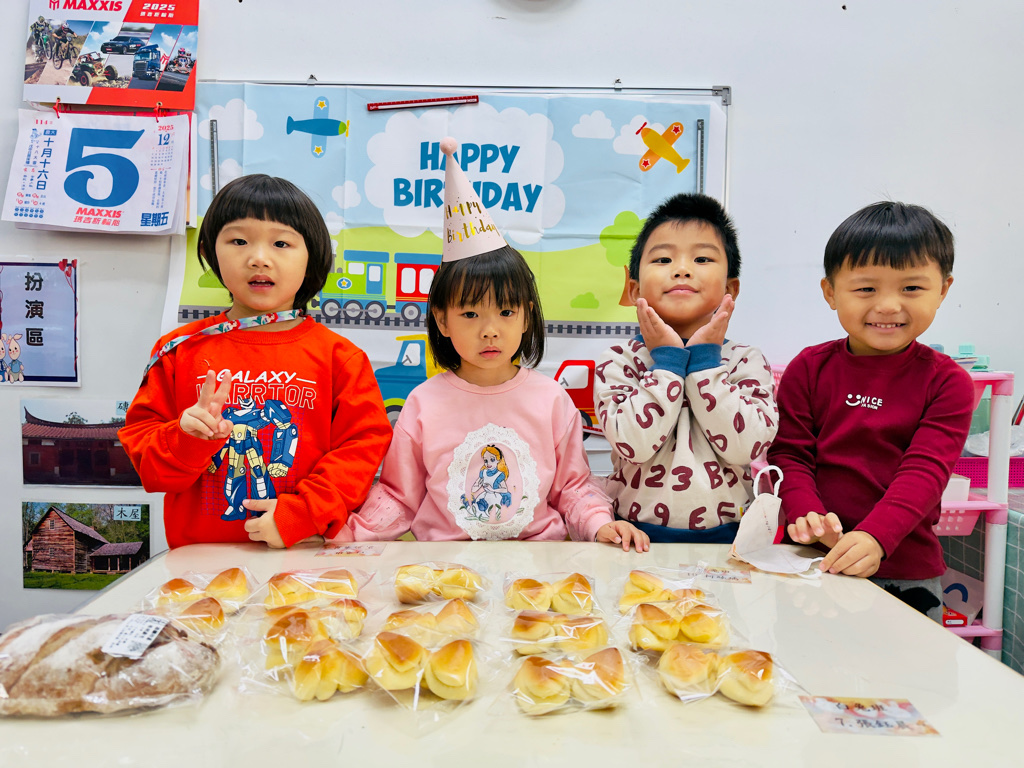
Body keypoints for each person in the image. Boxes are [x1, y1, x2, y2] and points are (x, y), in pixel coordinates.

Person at [342, 138, 648, 551]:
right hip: (445, 567)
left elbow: (573, 489)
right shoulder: (422, 404)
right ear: (442, 320)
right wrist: (346, 535)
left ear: (526, 316)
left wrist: (599, 524)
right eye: (470, 314)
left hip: (536, 565)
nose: (490, 330)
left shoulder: (551, 400)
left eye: (505, 312)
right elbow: (399, 496)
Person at [119, 174, 391, 549]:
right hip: (200, 562)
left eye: (281, 243)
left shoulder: (340, 358)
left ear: (311, 256)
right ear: (211, 252)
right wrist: (185, 439)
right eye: (238, 241)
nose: (258, 258)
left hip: (304, 555)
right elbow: (147, 463)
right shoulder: (179, 350)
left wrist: (303, 512)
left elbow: (362, 449)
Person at [767, 201, 974, 620]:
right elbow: (790, 454)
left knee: (910, 665)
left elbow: (925, 472)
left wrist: (876, 537)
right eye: (866, 289)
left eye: (911, 288)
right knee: (802, 660)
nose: (888, 305)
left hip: (905, 572)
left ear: (943, 290)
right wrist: (807, 515)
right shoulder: (808, 368)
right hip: (809, 561)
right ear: (830, 292)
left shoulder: (948, 382)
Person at [595, 193, 778, 543]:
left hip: (729, 541)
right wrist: (667, 362)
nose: (682, 269)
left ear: (730, 288)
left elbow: (746, 448)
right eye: (663, 258)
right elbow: (633, 445)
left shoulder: (746, 360)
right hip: (634, 538)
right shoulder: (618, 360)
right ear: (634, 289)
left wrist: (706, 362)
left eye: (702, 258)